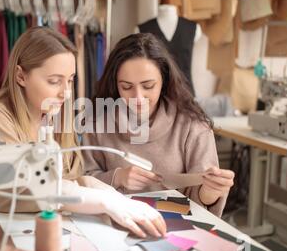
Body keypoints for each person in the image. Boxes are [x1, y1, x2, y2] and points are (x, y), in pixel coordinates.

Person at [0, 27, 166, 238]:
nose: (66, 92)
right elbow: (20, 190)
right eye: (54, 81)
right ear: (20, 76)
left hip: (28, 229)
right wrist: (105, 201)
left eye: (70, 80)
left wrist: (109, 194)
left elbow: (68, 180)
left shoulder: (55, 115)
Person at [82, 33, 234, 217]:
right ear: (115, 84)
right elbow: (81, 181)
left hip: (177, 227)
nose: (138, 98)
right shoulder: (98, 122)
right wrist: (117, 177)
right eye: (127, 87)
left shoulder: (193, 126)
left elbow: (202, 209)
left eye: (148, 86)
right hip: (112, 225)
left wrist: (210, 192)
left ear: (164, 80)